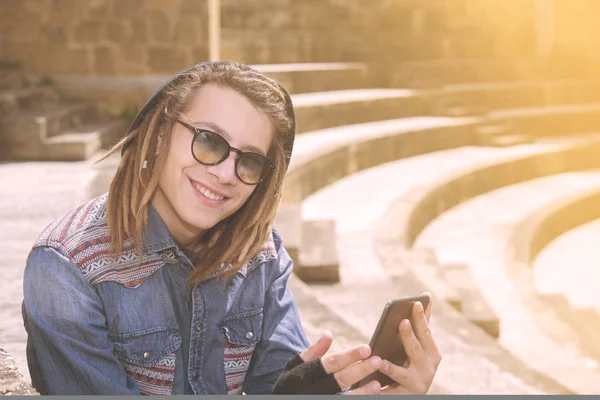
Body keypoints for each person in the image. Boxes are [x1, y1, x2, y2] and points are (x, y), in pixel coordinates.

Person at [21, 61, 441, 395]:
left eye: (250, 161)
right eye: (209, 141)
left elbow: (278, 385)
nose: (225, 173)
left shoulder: (261, 255)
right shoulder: (66, 268)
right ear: (158, 135)